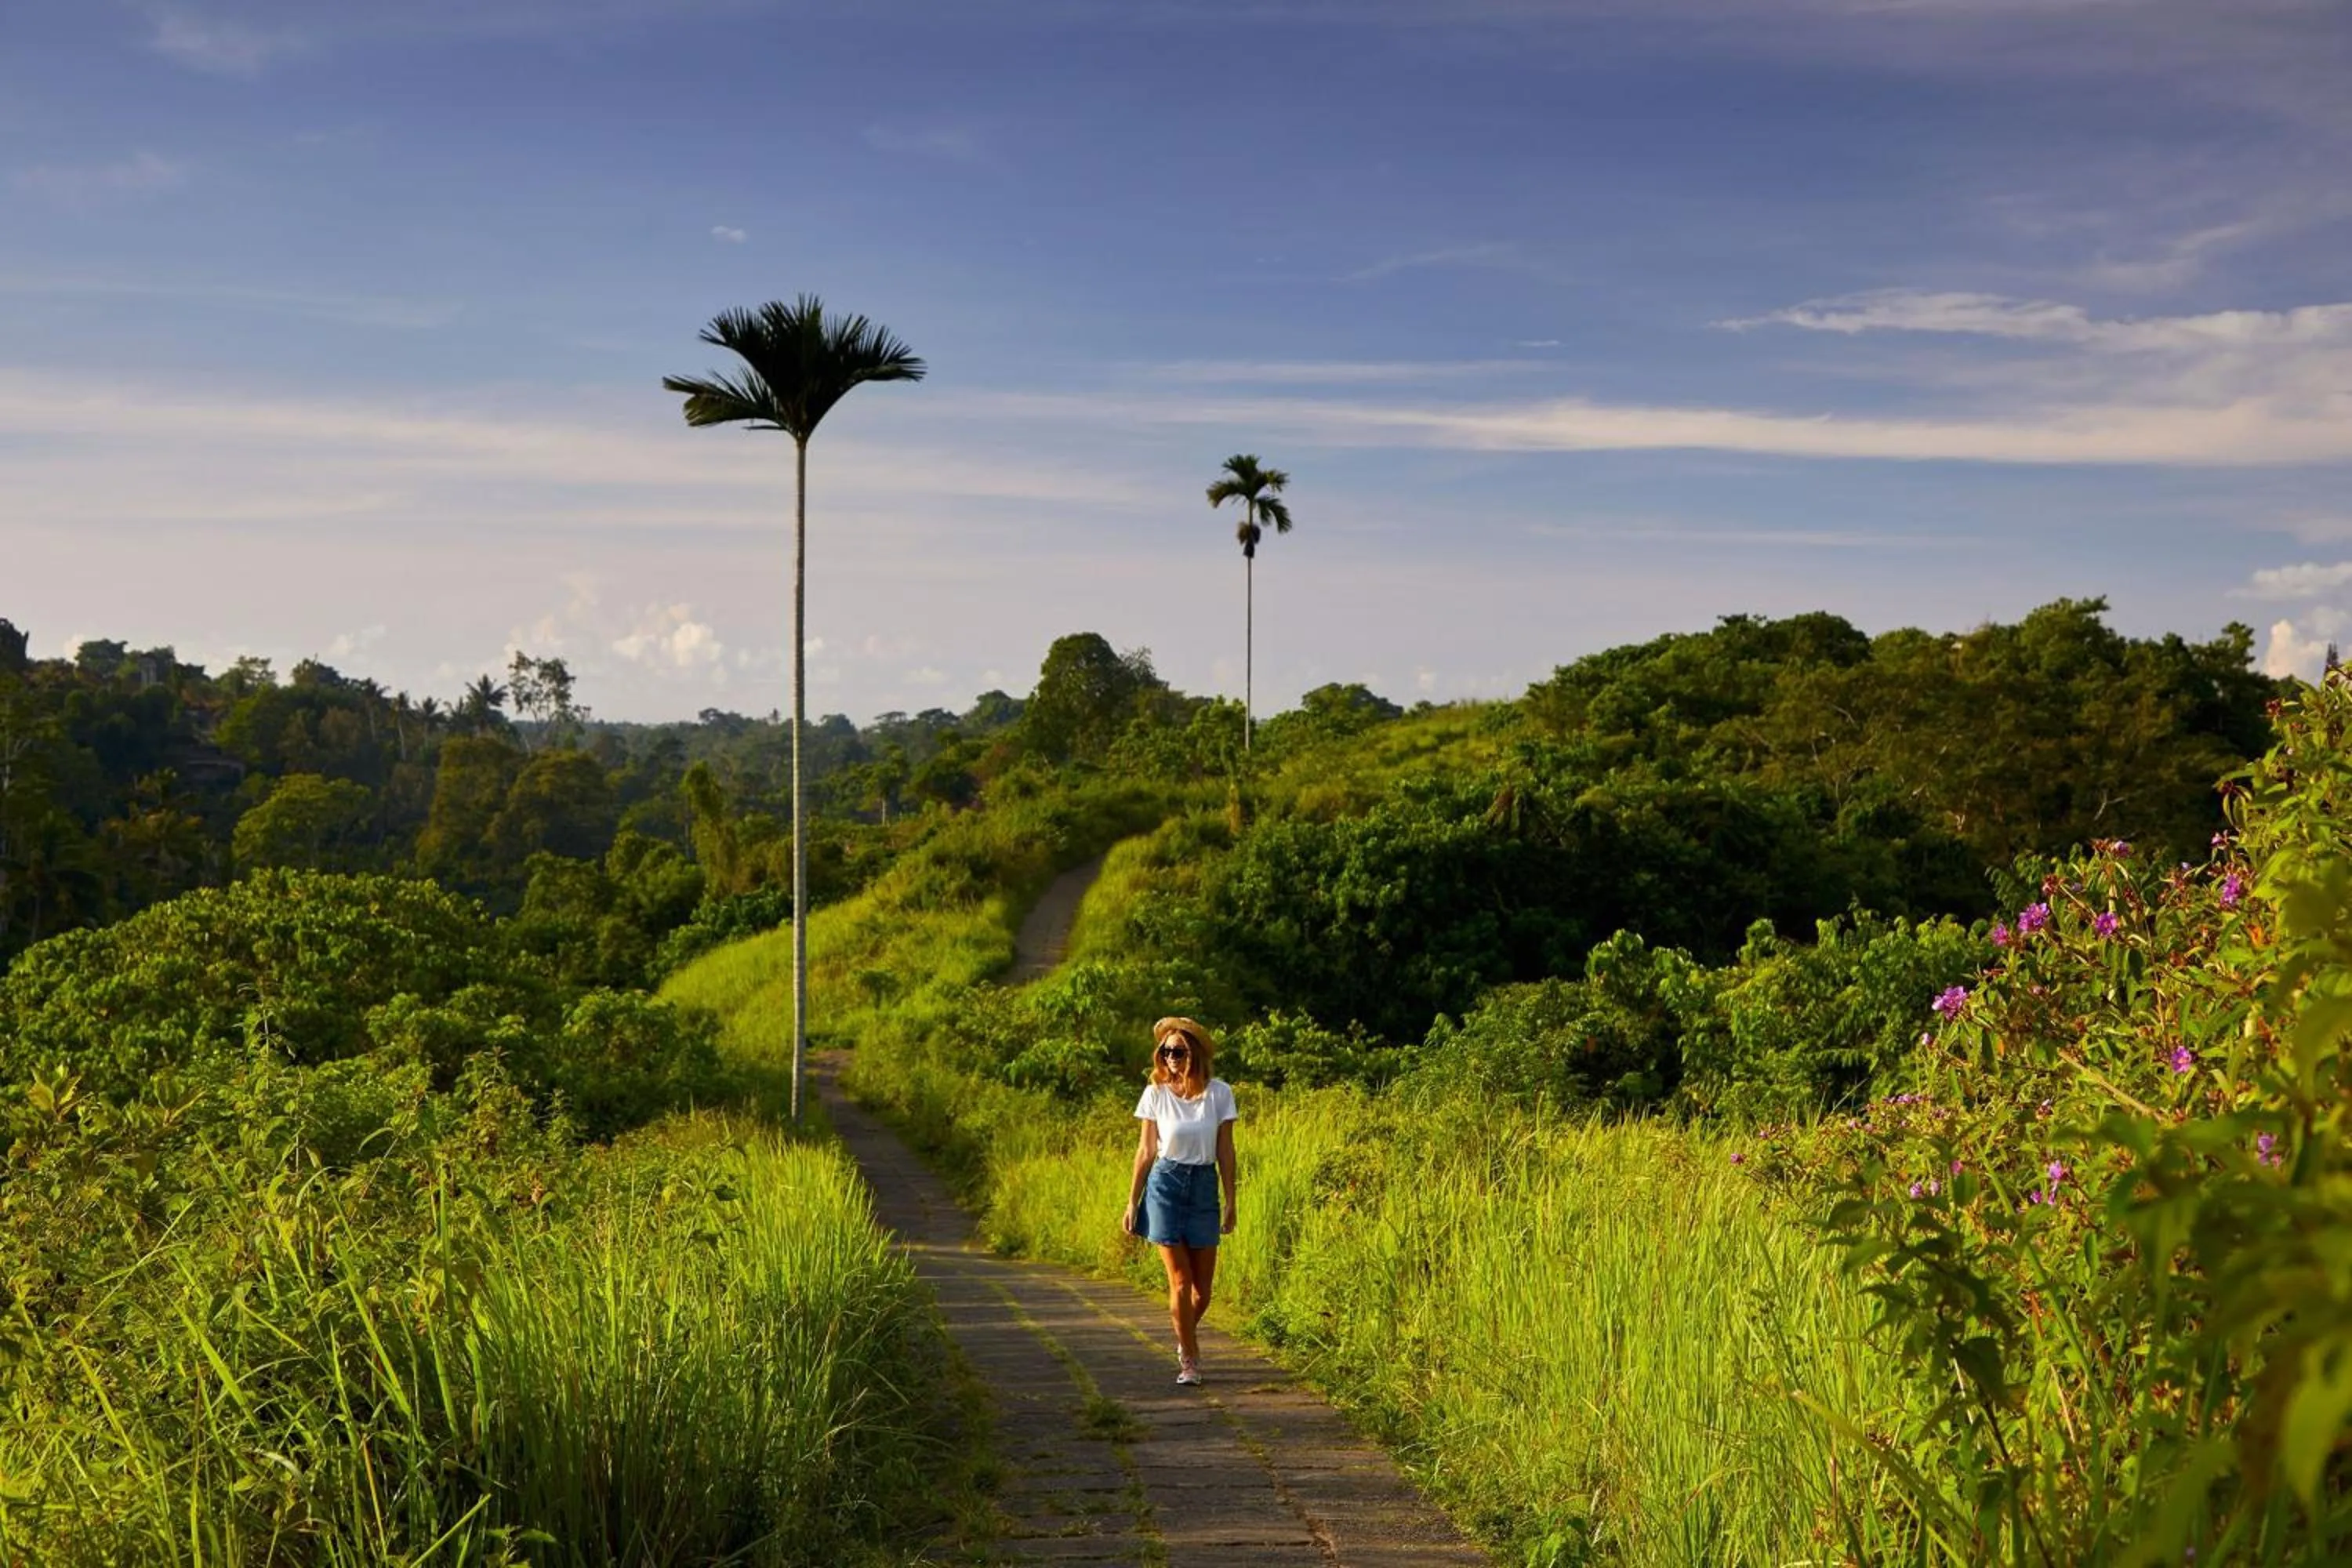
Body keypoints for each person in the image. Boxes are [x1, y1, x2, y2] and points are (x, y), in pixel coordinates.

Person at [1123, 1015, 1237, 1385]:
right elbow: (1144, 1152)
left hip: (1204, 1187)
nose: (1171, 1057)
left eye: (1179, 1050)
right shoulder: (1154, 1094)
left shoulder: (1220, 1093)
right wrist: (1132, 1200)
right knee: (1181, 1283)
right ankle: (1190, 1358)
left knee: (1203, 1293)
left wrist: (1231, 1198)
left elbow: (1225, 1149)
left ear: (1196, 1053)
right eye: (1166, 1051)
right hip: (1165, 1187)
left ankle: (1183, 1333)